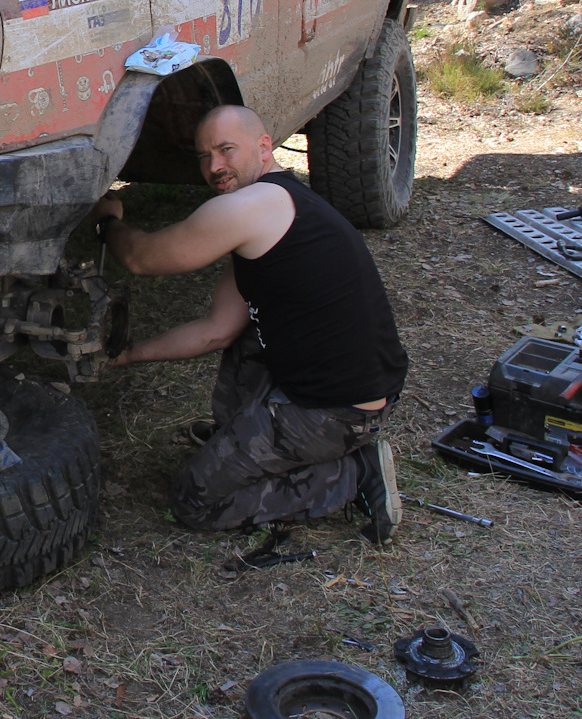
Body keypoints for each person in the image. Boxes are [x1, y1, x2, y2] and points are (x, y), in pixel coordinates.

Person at [89, 105, 409, 543]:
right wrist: (129, 354)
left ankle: (353, 472)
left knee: (194, 501)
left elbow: (141, 258)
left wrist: (109, 221)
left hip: (336, 412)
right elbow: (218, 329)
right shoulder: (279, 207)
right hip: (341, 388)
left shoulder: (251, 207)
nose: (214, 166)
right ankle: (243, 441)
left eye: (225, 150)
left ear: (263, 148)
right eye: (204, 156)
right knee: (243, 335)